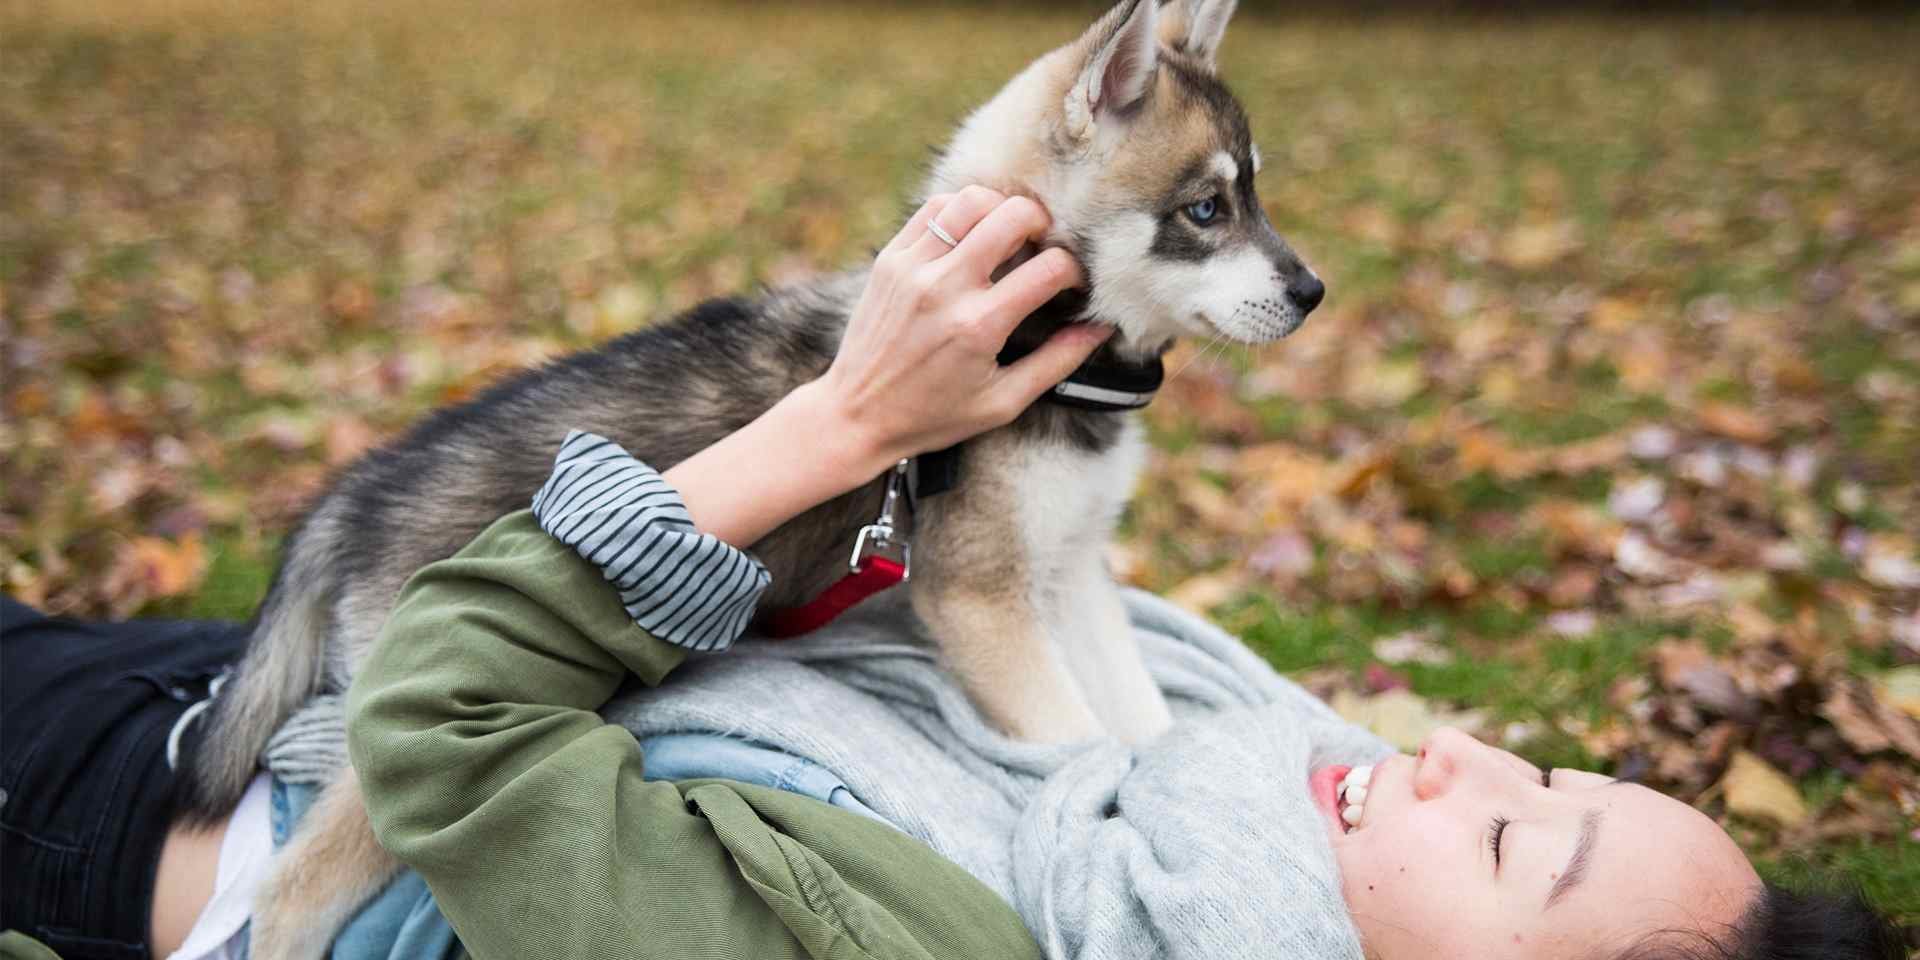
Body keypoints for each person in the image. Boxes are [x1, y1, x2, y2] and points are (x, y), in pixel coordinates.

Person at [0, 191, 1904, 960]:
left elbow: (448, 721)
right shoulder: (1237, 802)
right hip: (423, 670)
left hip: (198, 824)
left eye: (1512, 849)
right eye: (1553, 776)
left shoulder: (922, 938)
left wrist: (838, 427)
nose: (1467, 762)